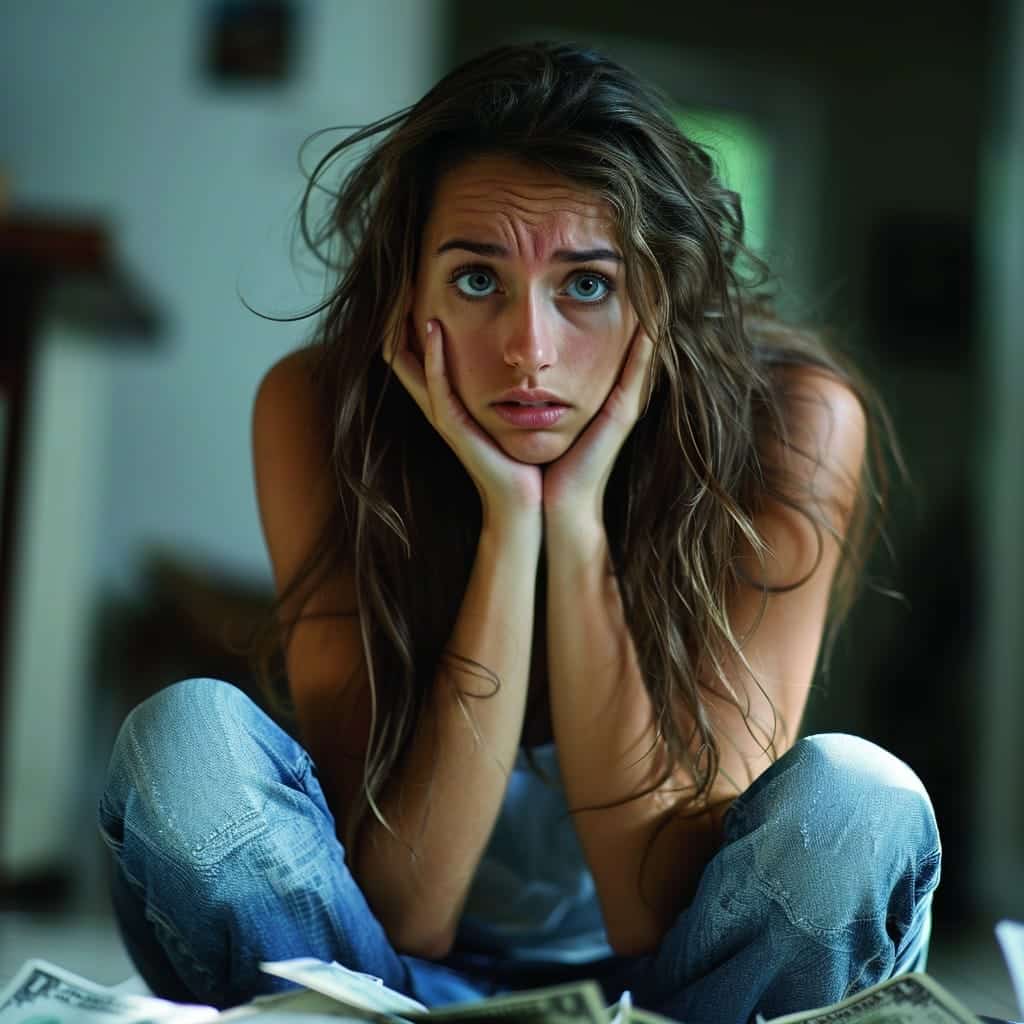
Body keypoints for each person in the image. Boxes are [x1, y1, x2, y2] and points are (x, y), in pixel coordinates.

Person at [98, 41, 941, 1024]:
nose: (526, 352)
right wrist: (510, 525)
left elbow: (648, 905)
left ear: (658, 299)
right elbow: (402, 907)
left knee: (860, 799)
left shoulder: (789, 422)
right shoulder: (322, 409)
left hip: (682, 987)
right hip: (380, 976)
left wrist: (574, 523)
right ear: (409, 292)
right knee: (182, 740)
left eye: (585, 285)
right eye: (473, 280)